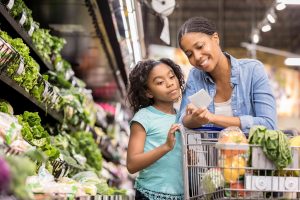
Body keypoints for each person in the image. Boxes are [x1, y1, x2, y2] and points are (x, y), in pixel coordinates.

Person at [177, 16, 277, 132]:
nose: (197, 56)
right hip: (209, 150)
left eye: (200, 46)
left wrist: (212, 118)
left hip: (251, 150)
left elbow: (268, 124)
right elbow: (182, 121)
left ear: (215, 38)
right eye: (189, 54)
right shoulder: (195, 76)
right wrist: (194, 119)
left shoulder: (253, 70)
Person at [126, 58, 185, 200]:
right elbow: (132, 164)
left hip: (180, 195)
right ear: (148, 92)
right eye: (160, 82)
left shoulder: (181, 117)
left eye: (171, 77)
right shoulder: (144, 117)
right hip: (149, 194)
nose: (170, 83)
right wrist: (165, 147)